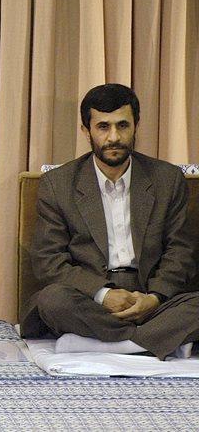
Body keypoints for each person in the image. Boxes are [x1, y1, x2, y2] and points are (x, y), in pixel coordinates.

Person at [22, 83, 199, 359]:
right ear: (86, 130)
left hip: (151, 296)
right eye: (103, 127)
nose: (114, 137)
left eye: (122, 126)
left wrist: (153, 298)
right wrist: (103, 295)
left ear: (136, 126)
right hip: (89, 298)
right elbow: (48, 261)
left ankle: (106, 343)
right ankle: (149, 341)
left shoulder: (166, 179)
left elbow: (181, 251)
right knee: (52, 301)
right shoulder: (59, 184)